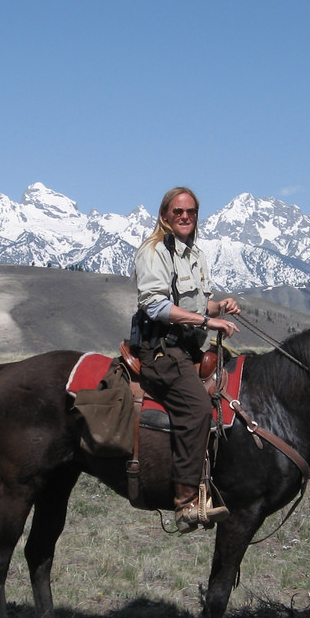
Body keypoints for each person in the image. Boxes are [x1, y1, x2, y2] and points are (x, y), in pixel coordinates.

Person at [131, 186, 241, 533]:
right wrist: (208, 321)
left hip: (190, 347)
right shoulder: (153, 251)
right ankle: (186, 503)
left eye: (190, 211)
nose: (185, 216)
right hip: (161, 349)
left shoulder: (195, 254)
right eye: (177, 211)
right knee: (197, 408)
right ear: (164, 215)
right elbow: (156, 306)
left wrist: (219, 307)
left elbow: (196, 304)